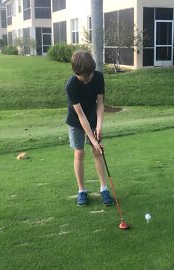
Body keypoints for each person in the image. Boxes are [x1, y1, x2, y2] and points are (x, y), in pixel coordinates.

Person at [65, 50, 114, 206]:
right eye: (85, 76)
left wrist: (99, 126)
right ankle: (82, 191)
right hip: (76, 121)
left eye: (90, 74)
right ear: (77, 73)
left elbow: (100, 104)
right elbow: (80, 116)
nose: (89, 78)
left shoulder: (98, 77)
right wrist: (93, 139)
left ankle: (104, 189)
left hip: (93, 118)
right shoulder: (71, 85)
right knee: (79, 153)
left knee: (97, 151)